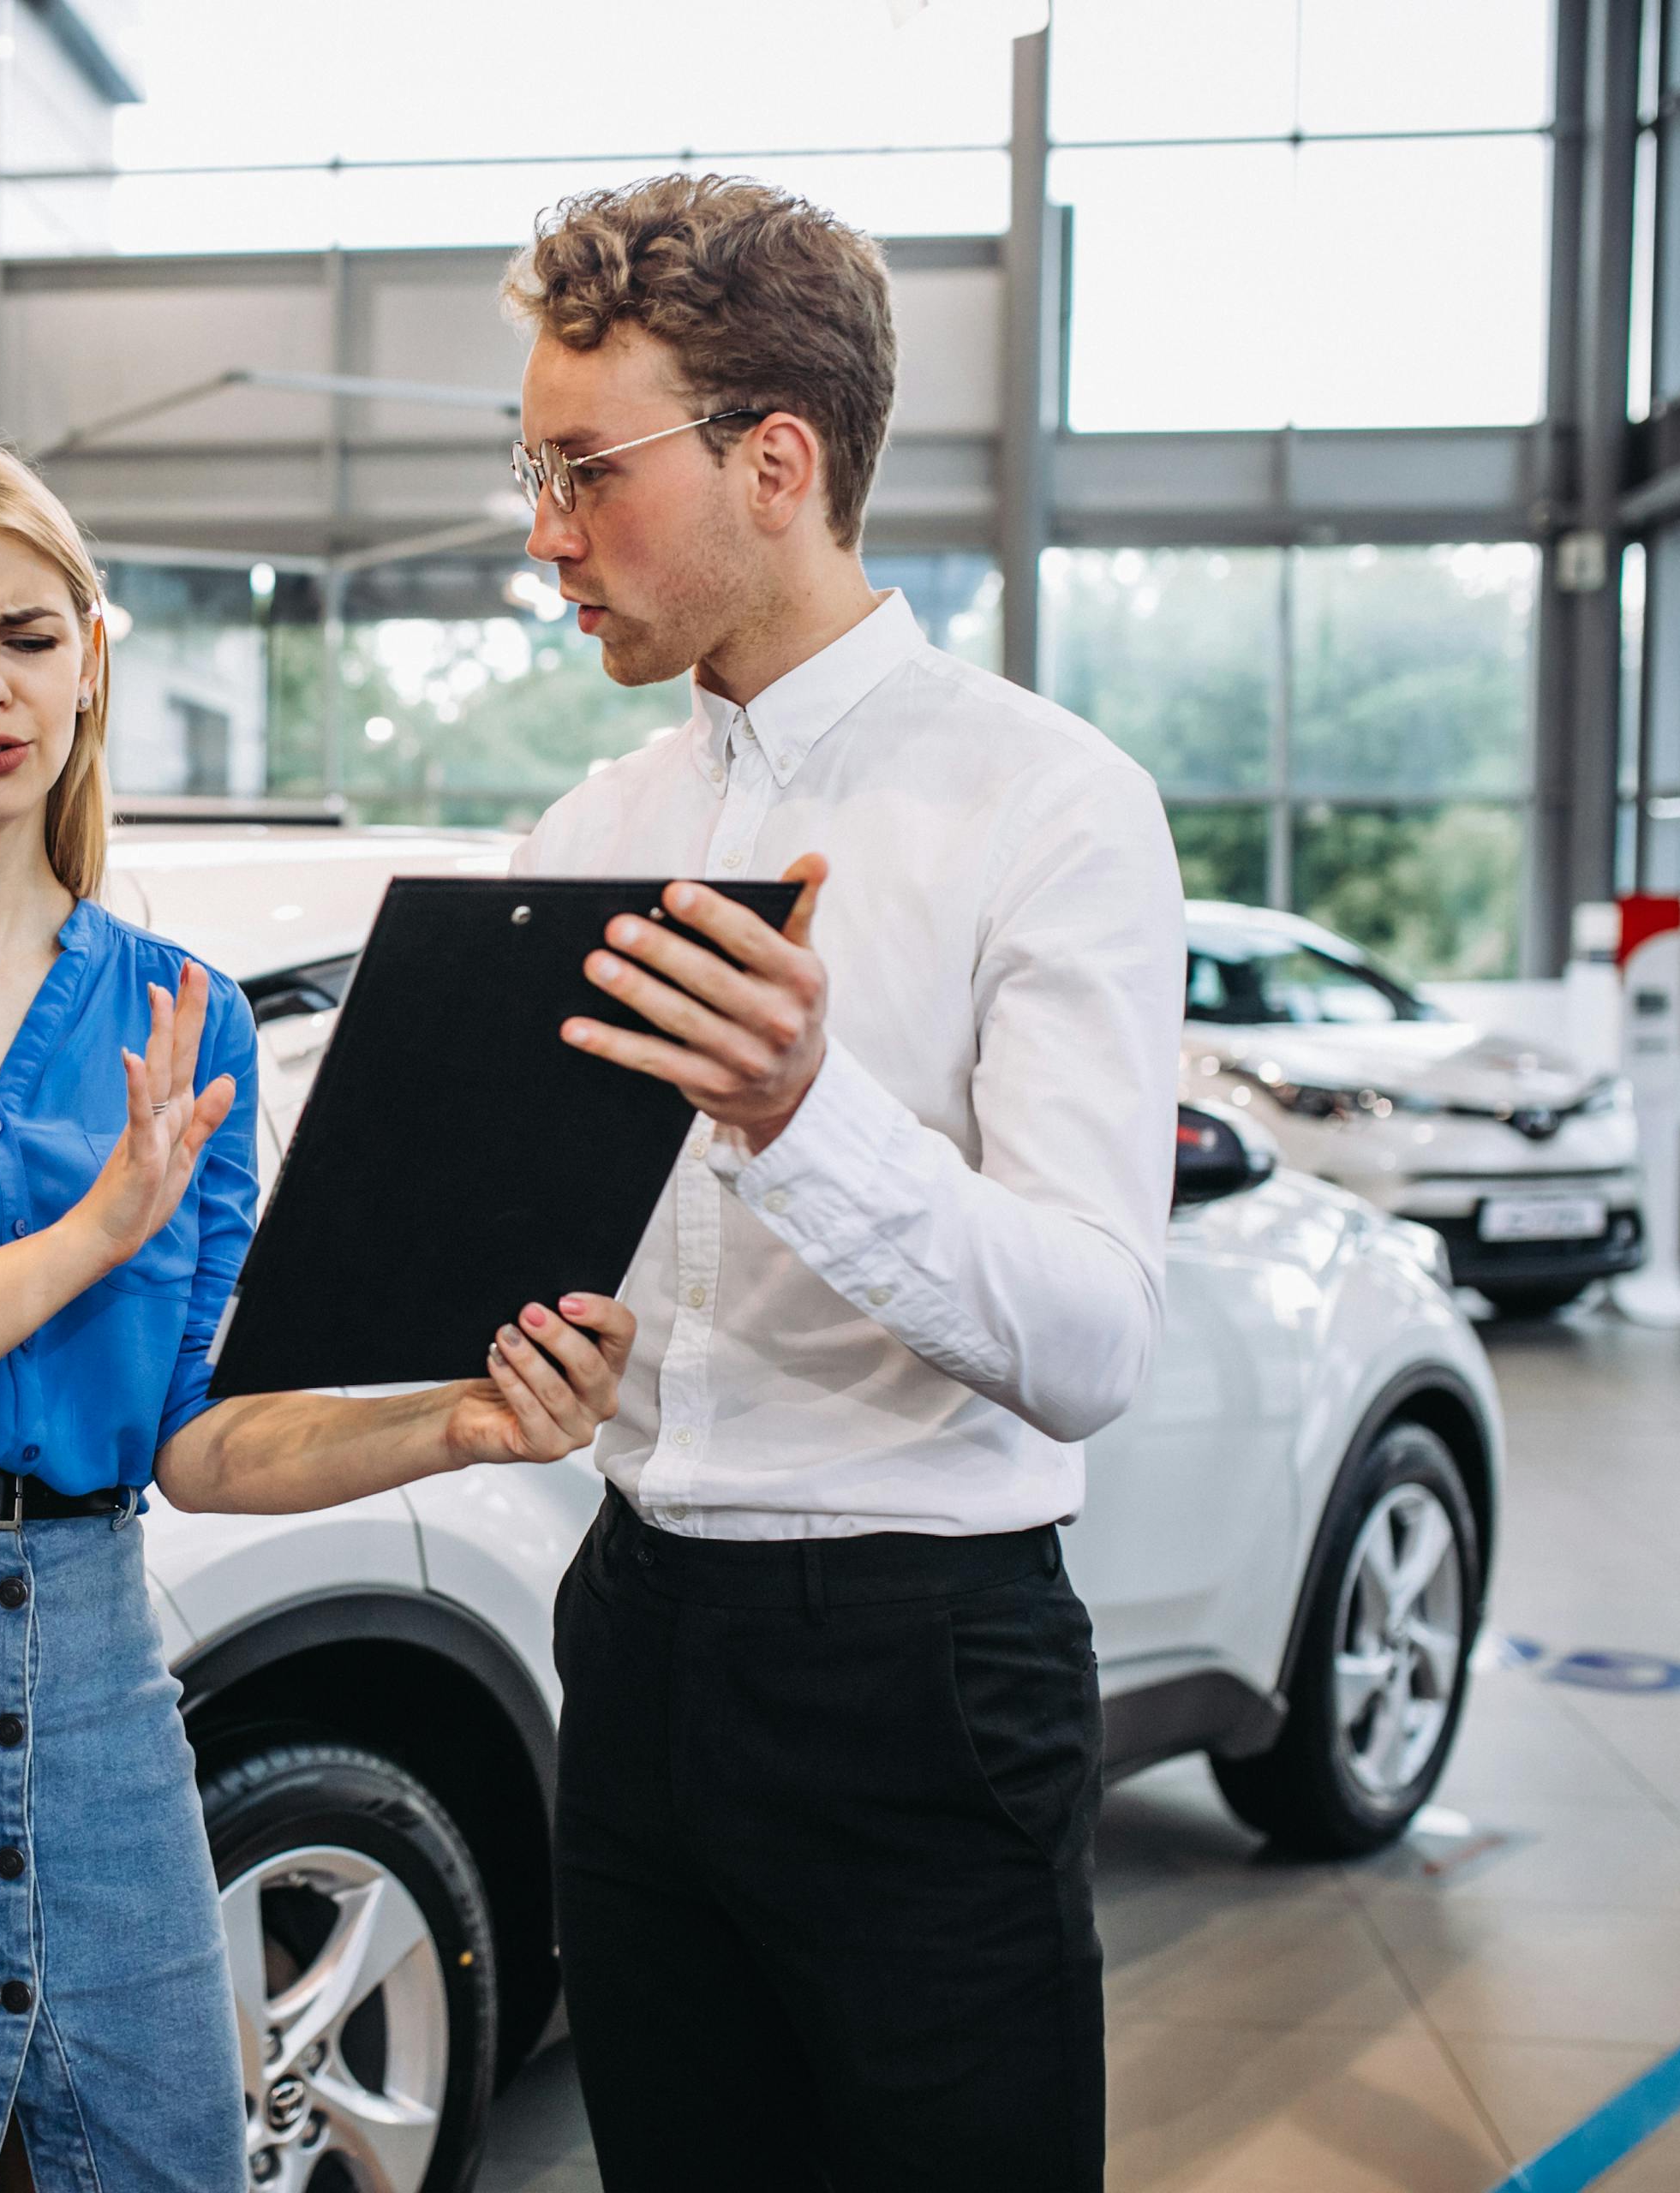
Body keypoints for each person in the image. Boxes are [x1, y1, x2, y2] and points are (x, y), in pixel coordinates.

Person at [0, 441, 635, 2193]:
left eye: (25, 634)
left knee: (164, 2154)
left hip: (89, 1681)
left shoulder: (183, 1009)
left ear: (93, 654)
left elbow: (195, 1436)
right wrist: (88, 1234)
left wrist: (454, 1420)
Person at [501, 176, 1186, 2190]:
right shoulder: (588, 821)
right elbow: (546, 1247)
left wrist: (809, 1111)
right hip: (629, 1638)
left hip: (920, 1675)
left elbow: (1088, 1338)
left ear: (774, 462)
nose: (547, 535)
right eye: (529, 471)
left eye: (584, 473)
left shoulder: (1051, 806)